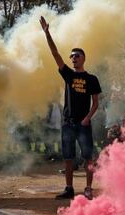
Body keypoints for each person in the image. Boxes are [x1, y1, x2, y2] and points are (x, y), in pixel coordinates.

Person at [40, 16, 101, 200]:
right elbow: (55, 54)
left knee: (88, 157)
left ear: (83, 58)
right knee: (68, 158)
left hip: (83, 124)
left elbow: (96, 102)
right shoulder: (68, 75)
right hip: (68, 123)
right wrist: (47, 33)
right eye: (72, 56)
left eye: (76, 55)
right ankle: (69, 188)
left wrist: (87, 118)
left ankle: (89, 188)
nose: (73, 58)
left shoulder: (91, 79)